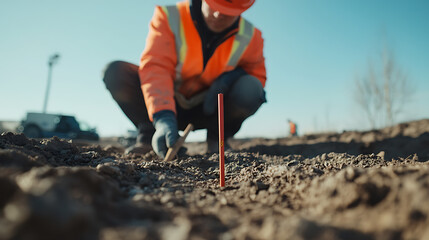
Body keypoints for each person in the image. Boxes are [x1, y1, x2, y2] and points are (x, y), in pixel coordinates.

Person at [103, 0, 267, 159]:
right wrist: (163, 116)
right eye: (214, 5)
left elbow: (257, 76)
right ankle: (150, 134)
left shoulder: (251, 37)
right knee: (117, 73)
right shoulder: (171, 17)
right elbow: (156, 67)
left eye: (228, 12)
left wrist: (233, 77)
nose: (218, 15)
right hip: (167, 102)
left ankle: (217, 140)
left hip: (209, 109)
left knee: (250, 89)